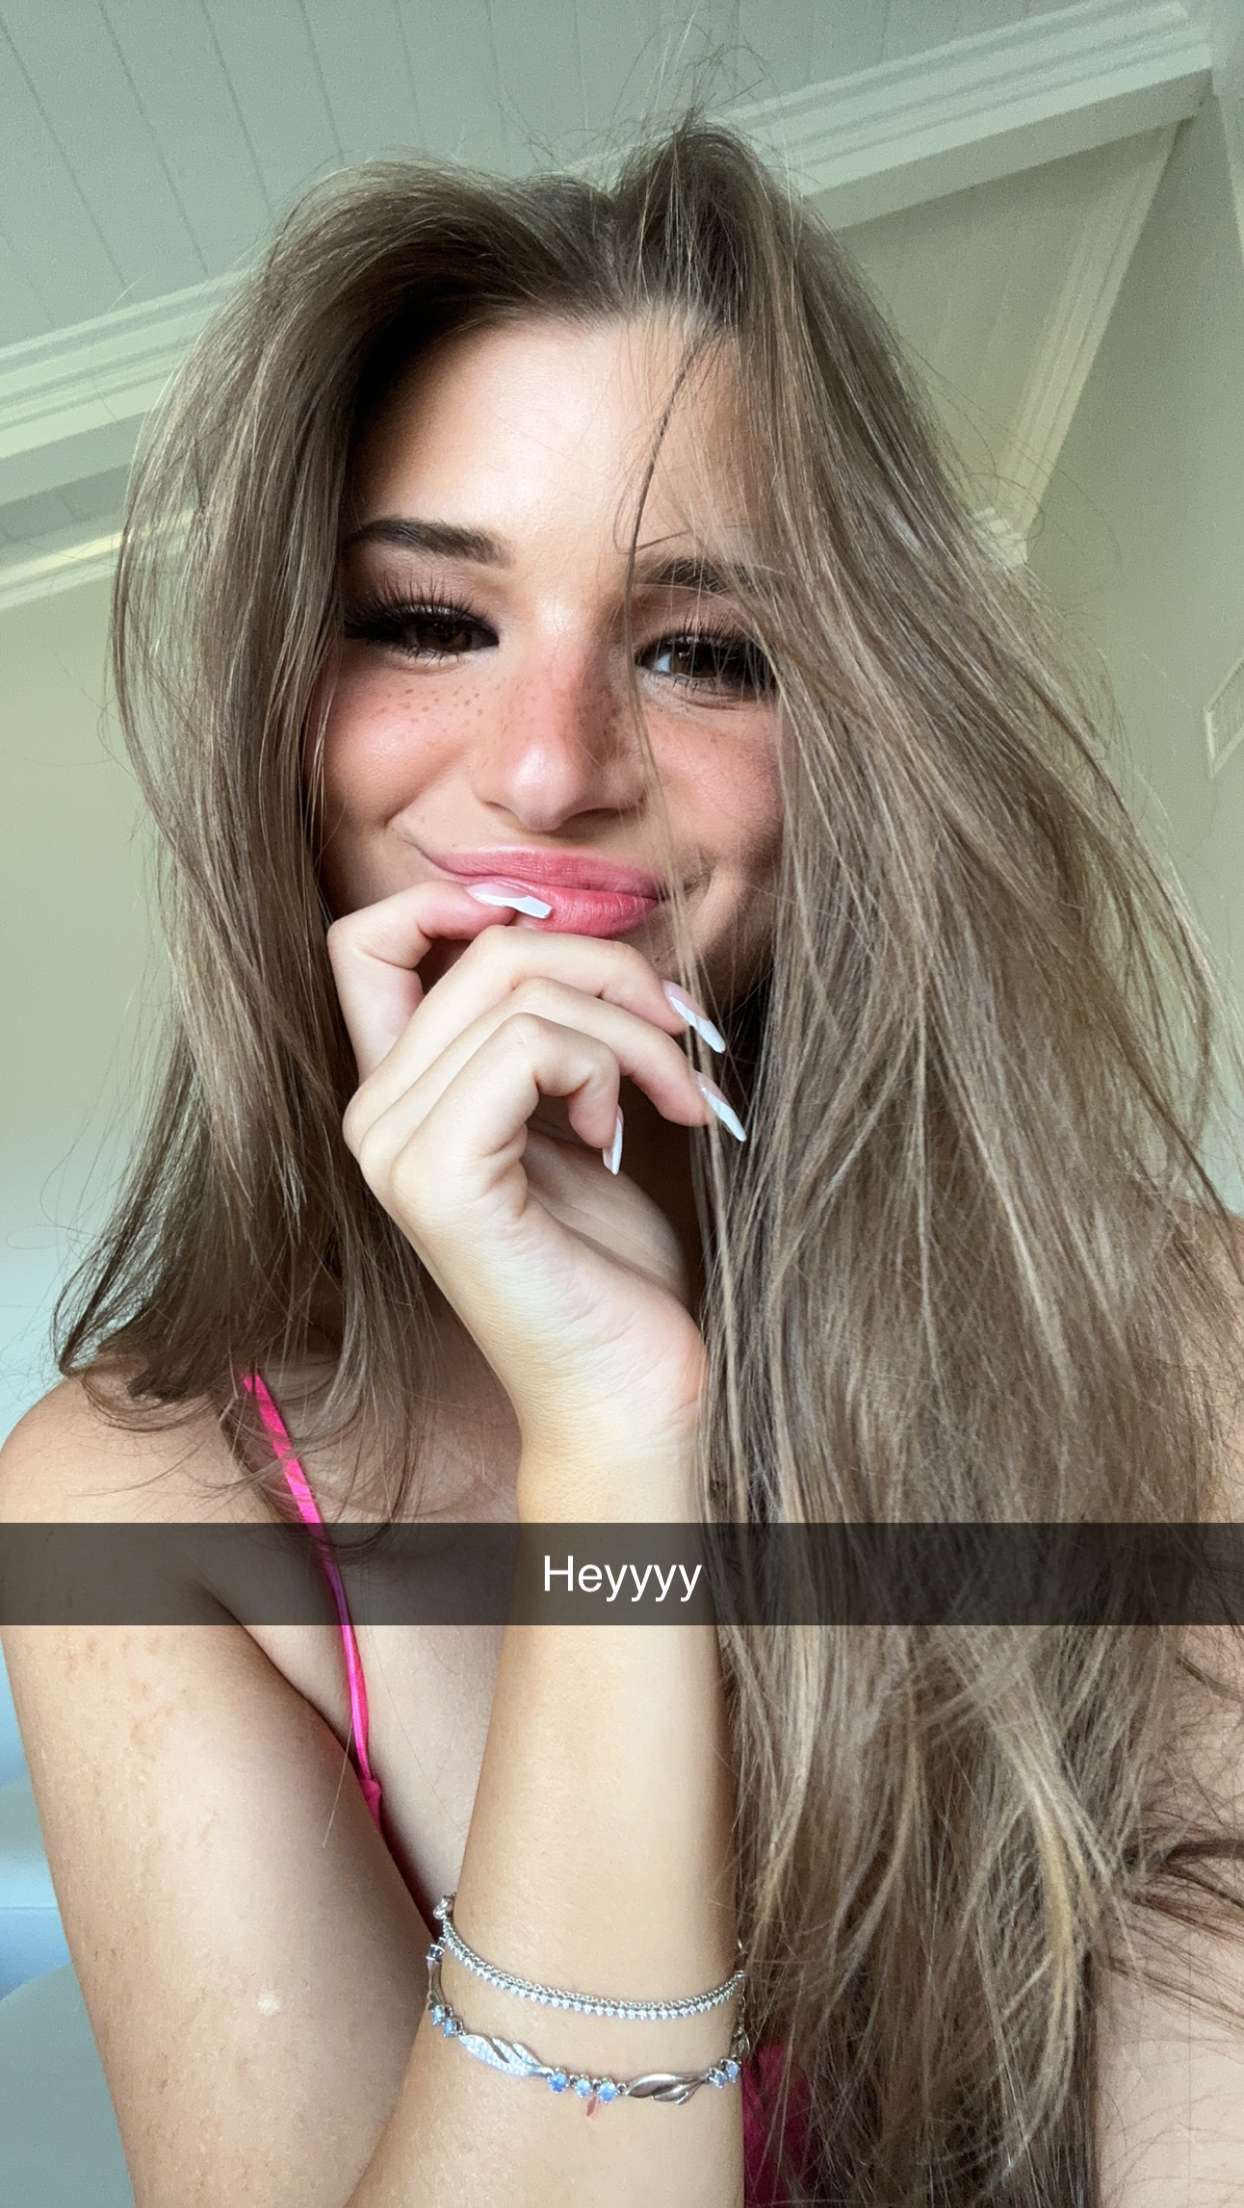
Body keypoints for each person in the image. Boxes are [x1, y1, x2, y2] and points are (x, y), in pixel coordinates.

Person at [4, 99, 1244, 2208]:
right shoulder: (133, 1502)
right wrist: (612, 1442)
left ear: (863, 748)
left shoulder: (1173, 1340)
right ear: (276, 711)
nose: (551, 766)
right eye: (427, 619)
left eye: (705, 652)